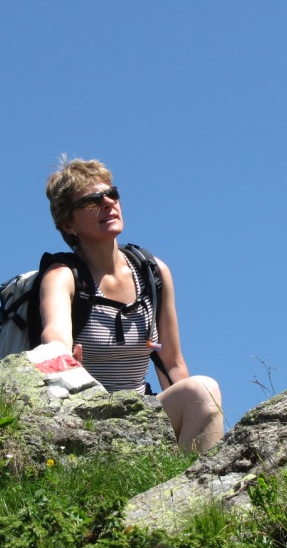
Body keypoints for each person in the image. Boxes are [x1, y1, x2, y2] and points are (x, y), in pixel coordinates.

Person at [40, 157, 224, 453]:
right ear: (68, 224)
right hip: (89, 420)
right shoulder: (63, 277)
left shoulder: (152, 273)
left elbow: (172, 363)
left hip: (142, 414)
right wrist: (65, 360)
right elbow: (55, 338)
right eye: (91, 201)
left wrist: (189, 418)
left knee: (203, 390)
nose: (108, 203)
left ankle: (201, 481)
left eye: (111, 194)